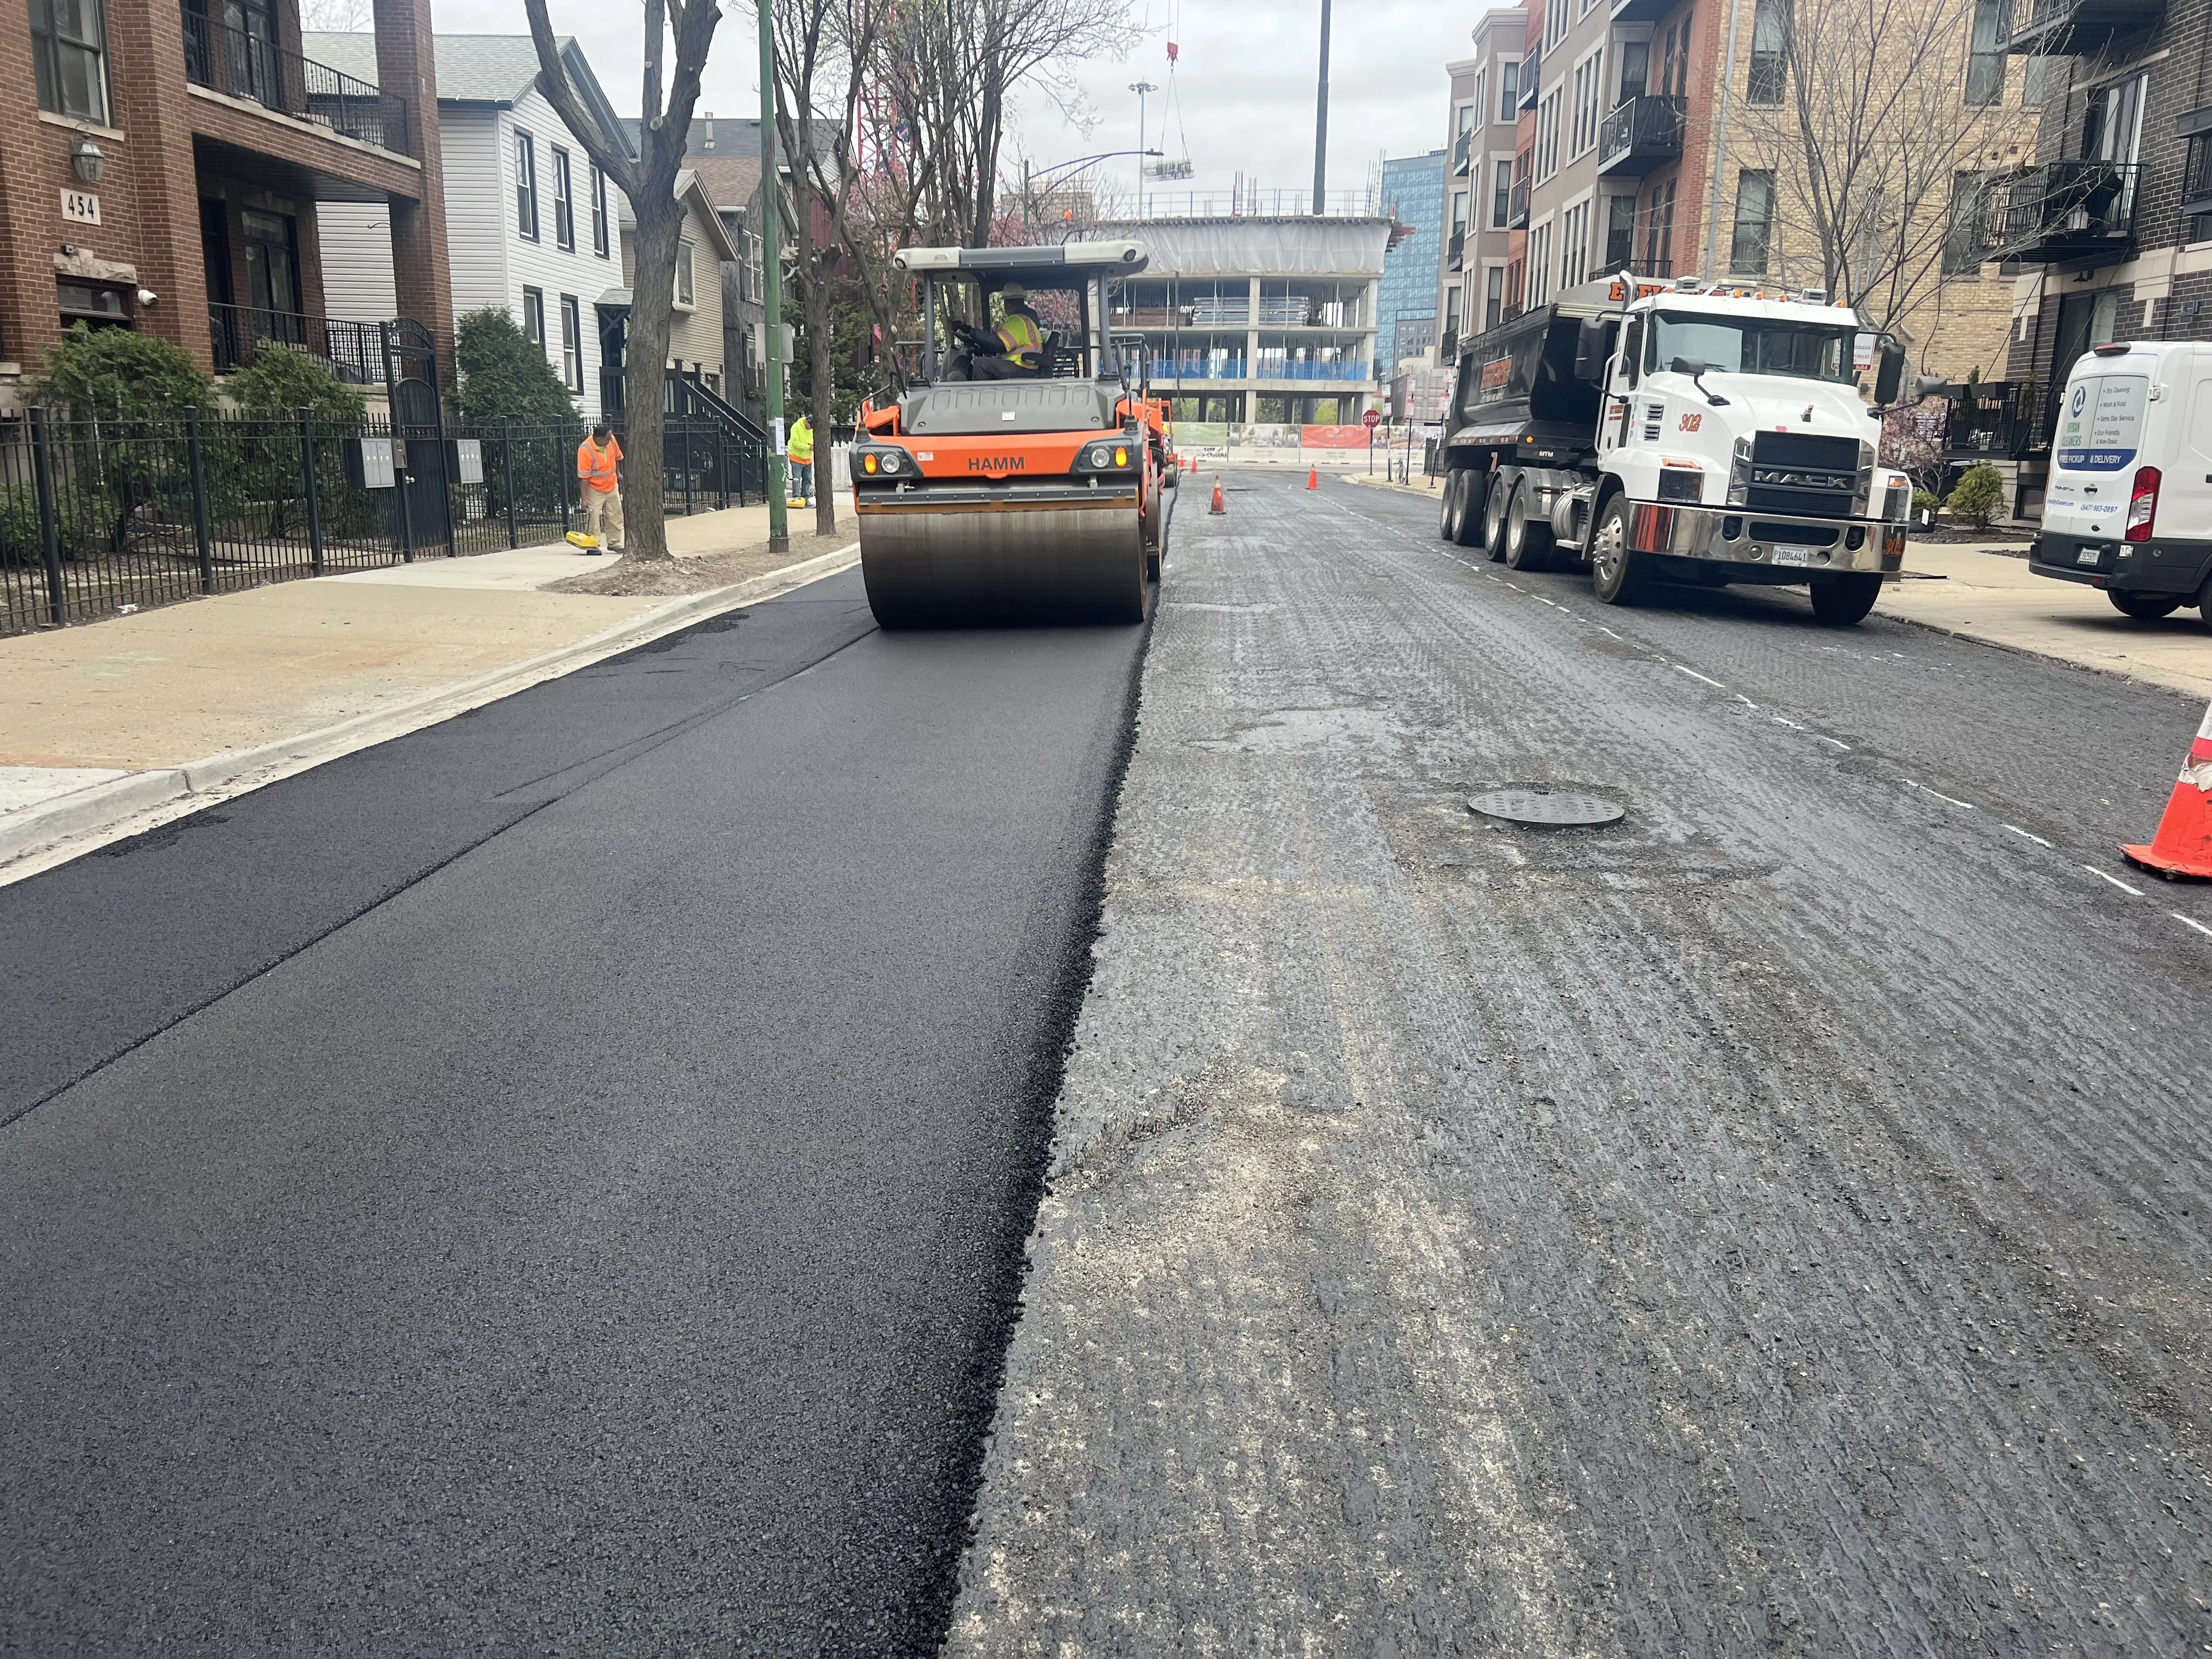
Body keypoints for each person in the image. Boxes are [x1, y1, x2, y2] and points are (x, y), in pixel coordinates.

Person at [968, 283, 1045, 381]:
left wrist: (971, 332)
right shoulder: (1026, 320)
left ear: (1008, 303)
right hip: (1026, 366)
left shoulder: (1018, 321)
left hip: (1023, 367)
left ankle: (983, 396)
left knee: (982, 364)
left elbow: (999, 344)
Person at [575, 421, 623, 554]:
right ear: (599, 439)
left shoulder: (611, 440)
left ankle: (614, 542)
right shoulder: (585, 450)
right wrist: (584, 499)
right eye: (607, 439)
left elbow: (618, 457)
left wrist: (618, 473)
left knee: (616, 514)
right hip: (594, 488)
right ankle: (593, 544)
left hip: (612, 484)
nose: (610, 440)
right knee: (594, 517)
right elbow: (584, 478)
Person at [787, 414, 815, 504]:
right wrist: (808, 447)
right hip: (796, 457)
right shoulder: (796, 427)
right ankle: (797, 498)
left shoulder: (811, 429)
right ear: (806, 421)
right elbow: (795, 443)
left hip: (807, 458)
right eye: (810, 426)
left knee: (807, 479)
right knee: (796, 479)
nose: (810, 428)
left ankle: (805, 498)